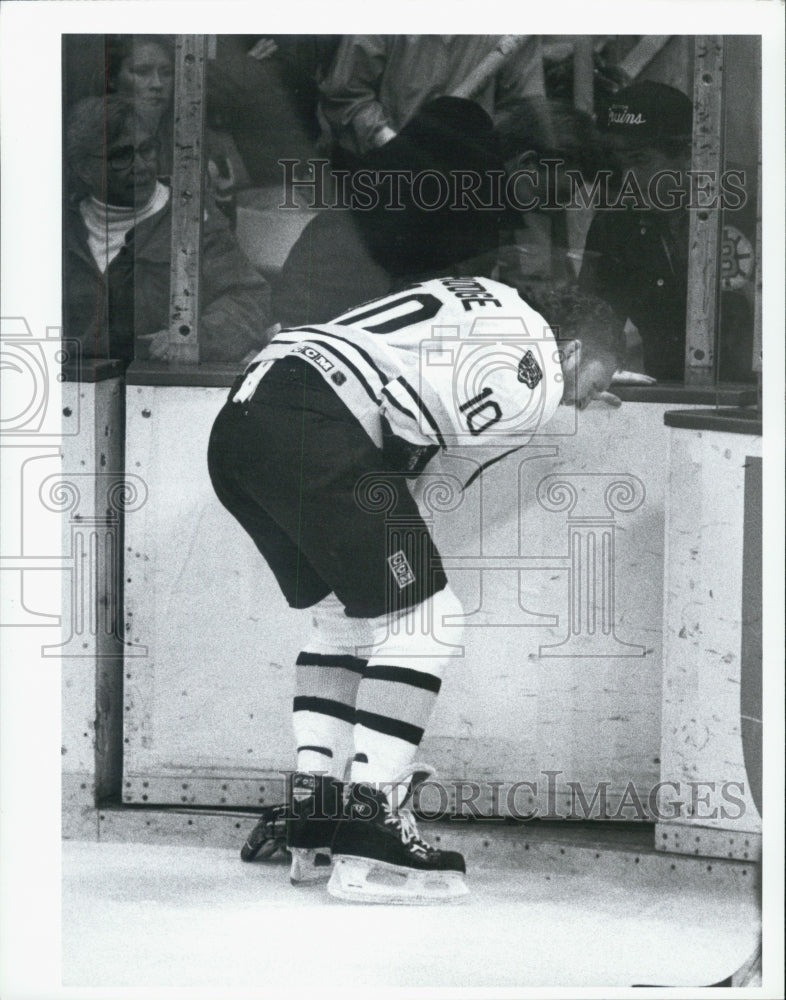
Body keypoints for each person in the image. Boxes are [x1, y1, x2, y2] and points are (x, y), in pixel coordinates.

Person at [207, 276, 625, 904]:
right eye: (593, 384)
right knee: (427, 622)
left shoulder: (487, 293)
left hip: (242, 422)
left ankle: (314, 805)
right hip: (312, 424)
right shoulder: (534, 370)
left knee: (342, 623)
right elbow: (406, 431)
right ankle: (371, 824)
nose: (586, 403)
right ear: (569, 350)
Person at [64, 95, 271, 366]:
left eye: (146, 150)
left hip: (159, 387)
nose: (141, 165)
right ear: (83, 168)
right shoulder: (59, 227)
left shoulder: (191, 217)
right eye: (121, 156)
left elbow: (248, 300)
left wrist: (192, 338)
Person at [579, 80, 756, 383]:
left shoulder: (755, 205)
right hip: (668, 399)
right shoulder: (615, 221)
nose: (627, 180)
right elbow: (594, 320)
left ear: (691, 155)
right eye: (618, 164)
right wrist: (594, 361)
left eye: (640, 161)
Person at [319, 35, 545, 163]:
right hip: (379, 165)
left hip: (467, 178)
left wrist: (472, 148)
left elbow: (524, 112)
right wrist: (394, 145)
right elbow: (345, 95)